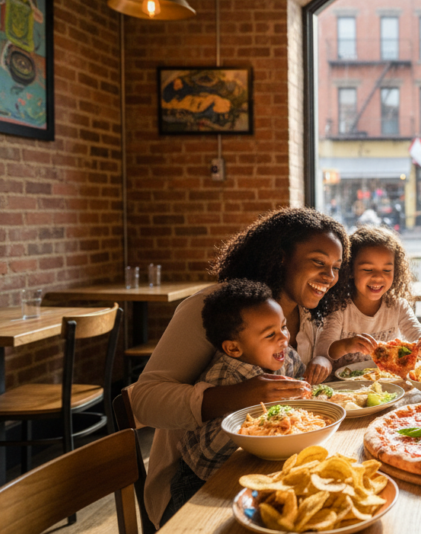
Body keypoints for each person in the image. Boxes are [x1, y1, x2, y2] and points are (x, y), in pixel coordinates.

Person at [130, 207, 349, 528]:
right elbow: (144, 401)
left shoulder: (304, 316)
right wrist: (237, 396)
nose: (330, 276)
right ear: (280, 258)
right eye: (318, 262)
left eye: (336, 267)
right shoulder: (214, 309)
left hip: (272, 471)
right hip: (196, 488)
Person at [172, 280, 306, 510]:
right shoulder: (224, 377)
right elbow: (210, 451)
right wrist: (255, 416)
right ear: (234, 348)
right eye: (270, 334)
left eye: (283, 327)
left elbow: (300, 379)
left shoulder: (285, 355)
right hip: (203, 486)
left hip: (256, 468)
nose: (284, 338)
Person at [314, 226, 421, 372]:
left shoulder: (398, 306)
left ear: (396, 272)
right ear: (350, 270)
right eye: (368, 269)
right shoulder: (339, 308)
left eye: (386, 270)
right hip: (345, 388)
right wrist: (347, 345)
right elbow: (322, 350)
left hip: (389, 386)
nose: (378, 276)